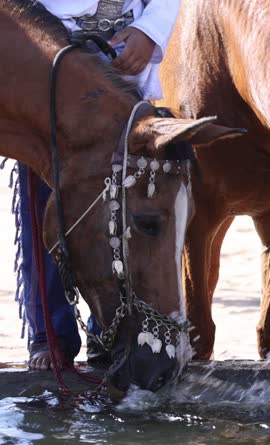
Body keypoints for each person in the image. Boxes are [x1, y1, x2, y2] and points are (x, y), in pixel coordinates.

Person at [19, 0, 181, 370]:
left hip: (124, 55)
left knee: (121, 211)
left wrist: (151, 30)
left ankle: (107, 333)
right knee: (46, 201)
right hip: (46, 54)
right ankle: (51, 335)